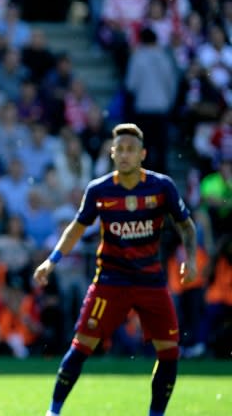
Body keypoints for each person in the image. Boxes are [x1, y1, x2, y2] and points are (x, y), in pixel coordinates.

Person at [33, 123, 198, 416]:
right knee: (81, 346)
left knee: (170, 352)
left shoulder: (162, 187)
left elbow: (186, 225)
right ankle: (53, 411)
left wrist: (192, 258)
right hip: (111, 280)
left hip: (150, 281)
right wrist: (52, 260)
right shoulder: (99, 189)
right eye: (119, 149)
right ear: (111, 153)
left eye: (130, 150)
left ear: (142, 154)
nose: (124, 155)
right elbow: (75, 229)